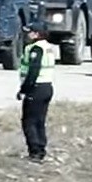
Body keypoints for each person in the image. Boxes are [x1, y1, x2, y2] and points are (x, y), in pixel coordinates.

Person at [17, 24, 59, 163]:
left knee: (29, 121)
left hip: (36, 87)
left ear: (37, 34)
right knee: (39, 121)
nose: (27, 35)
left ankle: (35, 152)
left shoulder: (36, 48)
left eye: (29, 32)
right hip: (47, 86)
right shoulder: (48, 47)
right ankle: (41, 149)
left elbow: (33, 71)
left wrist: (24, 90)